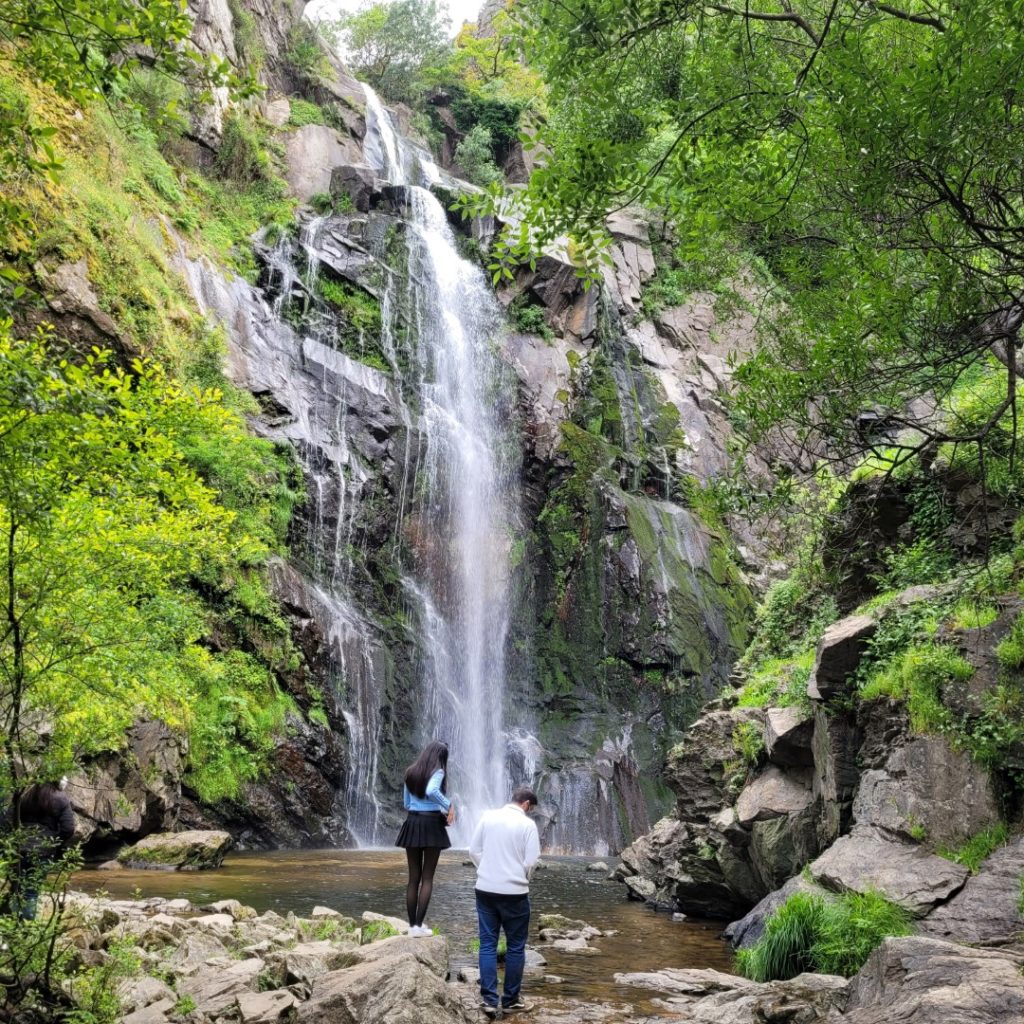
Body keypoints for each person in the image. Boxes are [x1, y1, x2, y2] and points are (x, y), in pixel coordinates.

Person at [469, 786, 540, 1018]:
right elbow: (531, 862)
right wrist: (522, 878)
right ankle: (510, 1001)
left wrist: (487, 870)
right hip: (515, 893)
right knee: (516, 946)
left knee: (488, 944)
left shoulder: (488, 816)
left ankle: (489, 1001)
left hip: (485, 889)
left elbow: (473, 850)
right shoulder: (528, 825)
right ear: (527, 805)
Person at [395, 741, 454, 936]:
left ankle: (412, 926)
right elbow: (431, 791)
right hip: (431, 825)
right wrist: (449, 805)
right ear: (440, 756)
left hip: (412, 823)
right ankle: (419, 926)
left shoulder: (410, 771)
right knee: (427, 878)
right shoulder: (438, 772)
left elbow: (406, 803)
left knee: (413, 878)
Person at [12, 778, 76, 920]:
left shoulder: (25, 794)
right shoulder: (61, 798)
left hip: (18, 847)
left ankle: (13, 927)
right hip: (43, 850)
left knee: (16, 889)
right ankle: (26, 929)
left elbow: (9, 818)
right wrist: (54, 843)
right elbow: (68, 829)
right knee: (31, 892)